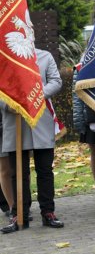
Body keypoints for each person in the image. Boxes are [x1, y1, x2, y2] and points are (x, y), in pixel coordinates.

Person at [1, 46, 65, 233]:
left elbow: (56, 81)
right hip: (15, 122)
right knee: (17, 173)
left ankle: (48, 212)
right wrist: (8, 104)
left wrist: (33, 96)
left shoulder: (44, 56)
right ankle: (19, 214)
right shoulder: (4, 58)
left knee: (45, 170)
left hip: (40, 121)